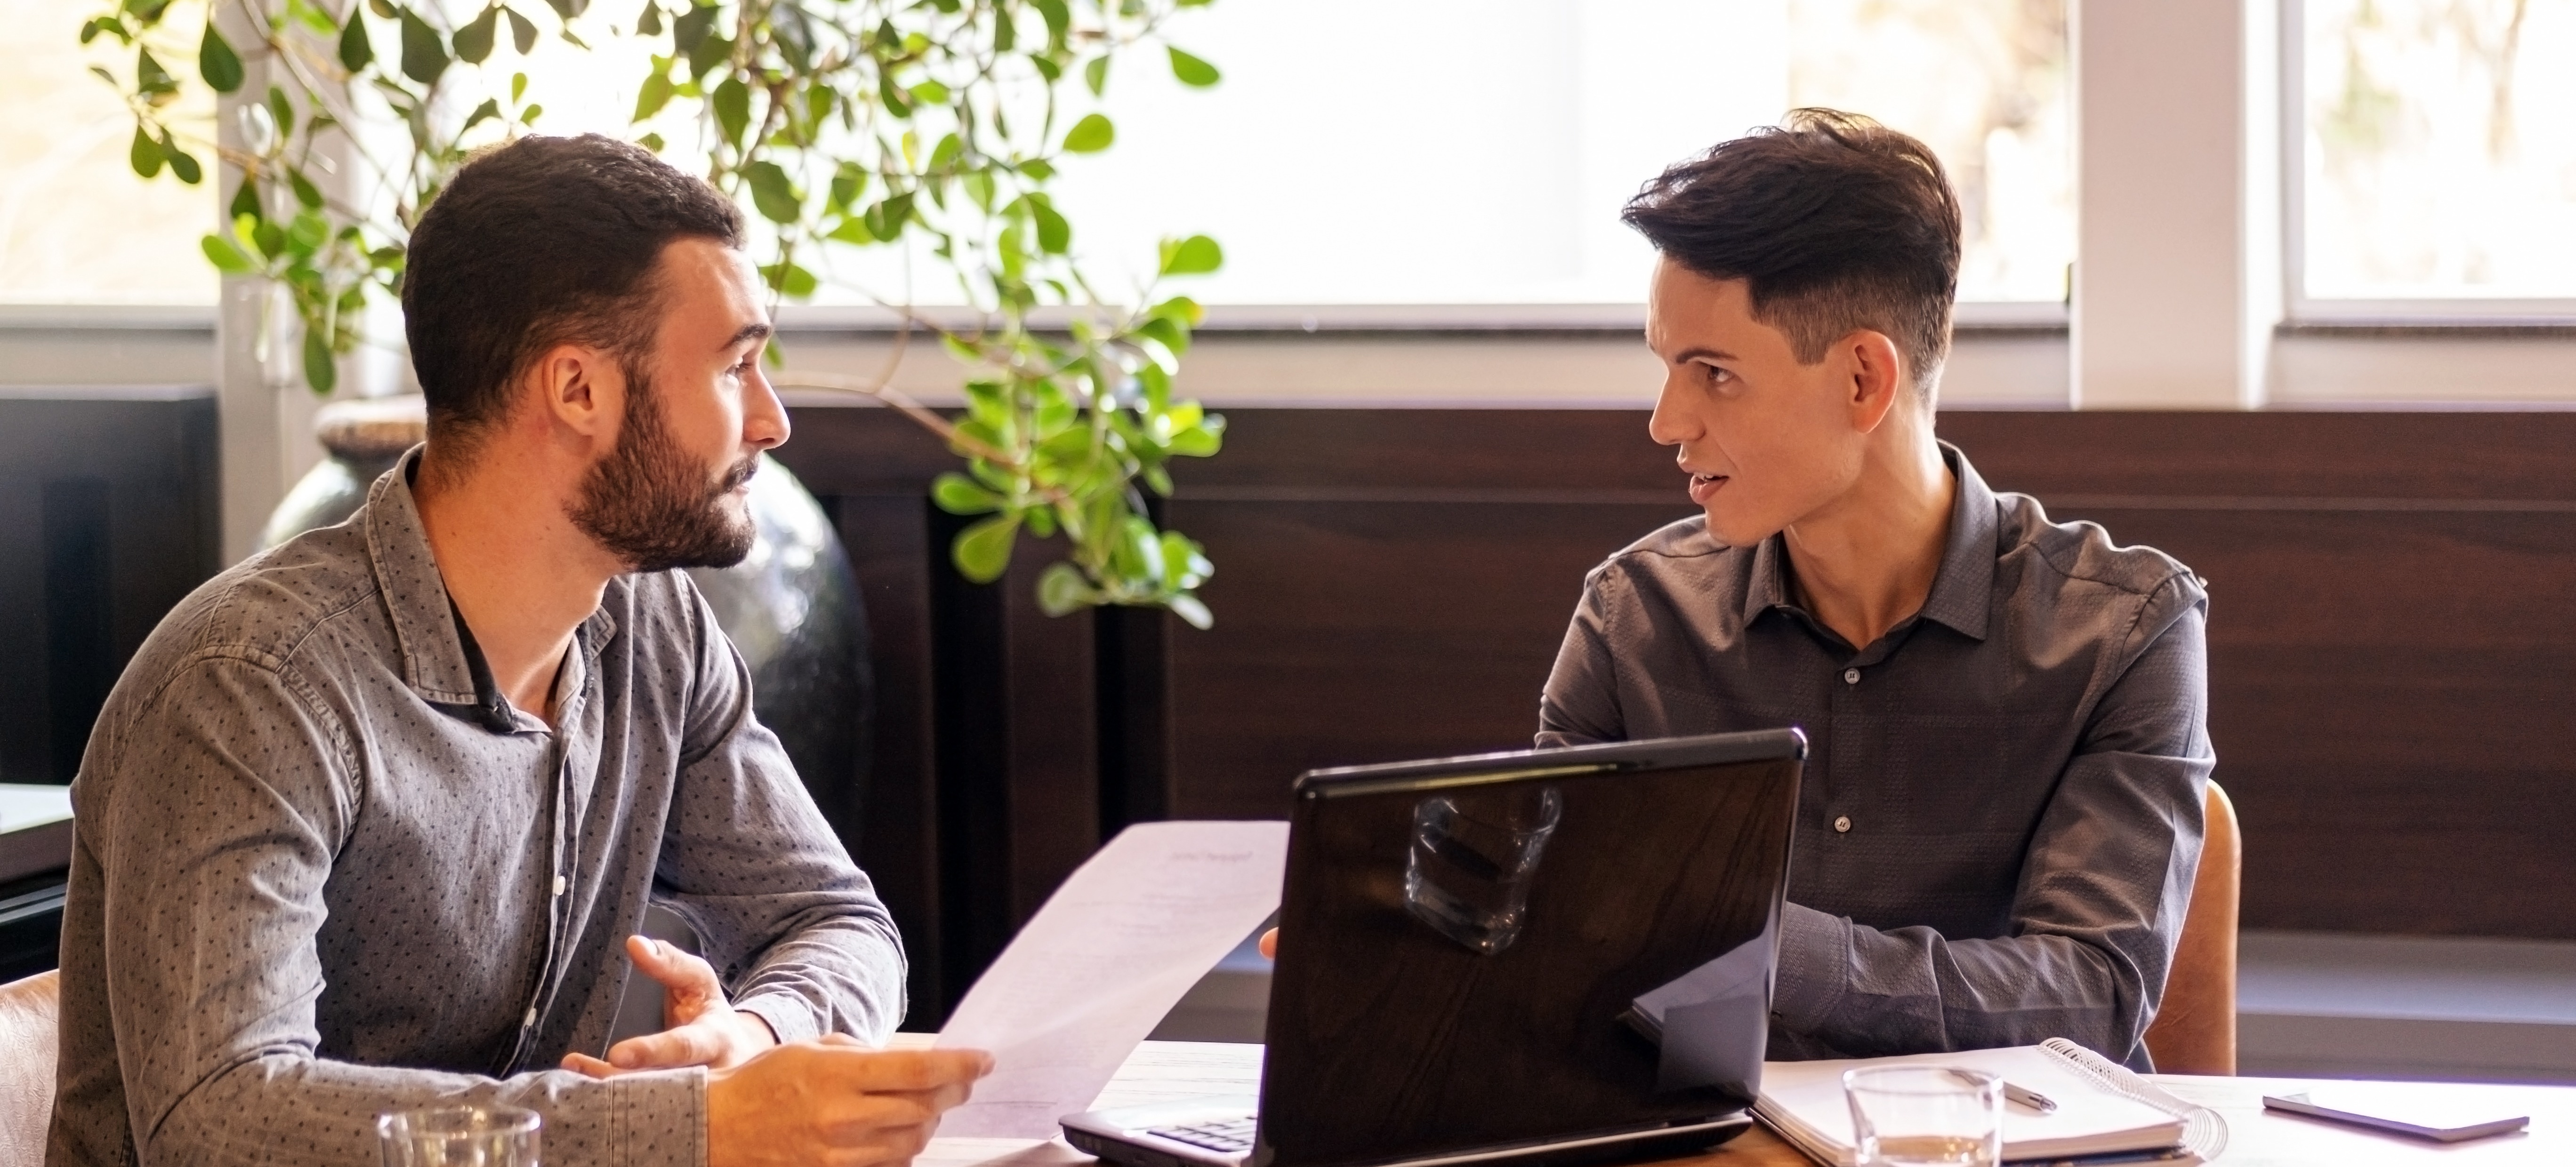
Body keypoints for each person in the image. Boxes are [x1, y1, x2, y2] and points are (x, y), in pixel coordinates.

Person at [49, 134, 990, 1167]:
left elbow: (836, 919)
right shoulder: (249, 686)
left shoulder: (656, 626)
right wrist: (699, 1128)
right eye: (734, 366)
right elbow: (223, 1117)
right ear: (578, 391)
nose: (772, 421)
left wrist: (752, 1037)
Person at [1538, 110, 2213, 1070]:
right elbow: (1557, 937)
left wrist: (1745, 937)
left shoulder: (2125, 631)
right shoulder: (1632, 619)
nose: (1666, 422)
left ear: (1863, 378)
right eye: (1666, 369)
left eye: (1714, 374)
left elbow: (2089, 997)